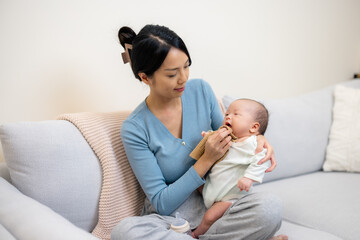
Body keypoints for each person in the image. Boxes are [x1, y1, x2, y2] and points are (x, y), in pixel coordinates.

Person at [111, 24, 285, 240]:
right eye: (172, 73)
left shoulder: (201, 90)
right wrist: (205, 160)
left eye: (186, 66)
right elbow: (161, 203)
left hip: (221, 208)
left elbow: (232, 134)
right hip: (171, 219)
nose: (183, 78)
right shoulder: (135, 128)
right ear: (146, 77)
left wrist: (258, 139)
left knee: (269, 207)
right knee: (124, 232)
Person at [191, 99, 273, 238]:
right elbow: (213, 139)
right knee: (194, 185)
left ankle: (195, 235)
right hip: (213, 188)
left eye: (236, 114)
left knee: (210, 217)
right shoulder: (228, 137)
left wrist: (249, 178)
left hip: (231, 195)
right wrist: (208, 137)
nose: (228, 116)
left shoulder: (252, 143)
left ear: (253, 127)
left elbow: (261, 160)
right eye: (227, 113)